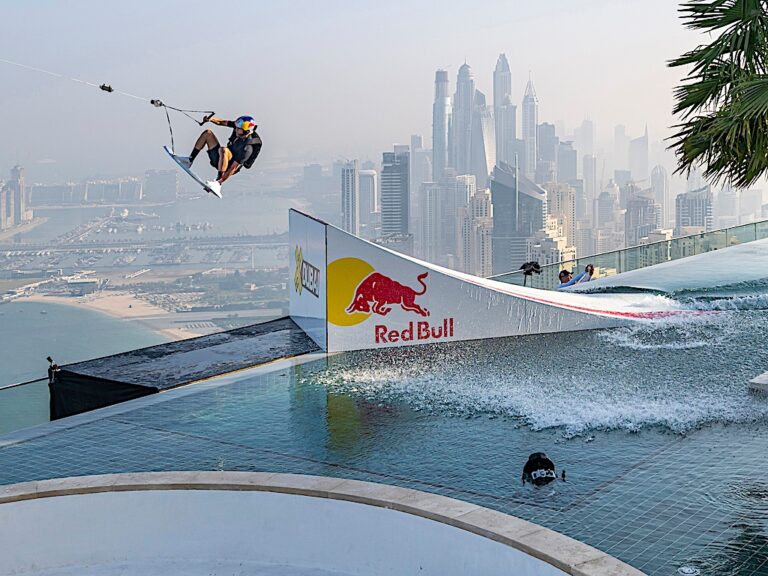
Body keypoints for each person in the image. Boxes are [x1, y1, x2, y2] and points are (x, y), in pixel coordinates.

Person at [177, 114, 262, 194]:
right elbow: (221, 122)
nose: (235, 130)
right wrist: (210, 119)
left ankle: (217, 182)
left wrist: (219, 182)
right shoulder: (238, 128)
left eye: (238, 129)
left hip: (229, 167)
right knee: (208, 133)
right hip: (220, 158)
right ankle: (189, 161)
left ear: (246, 131)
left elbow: (233, 168)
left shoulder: (247, 148)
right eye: (235, 127)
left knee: (224, 150)